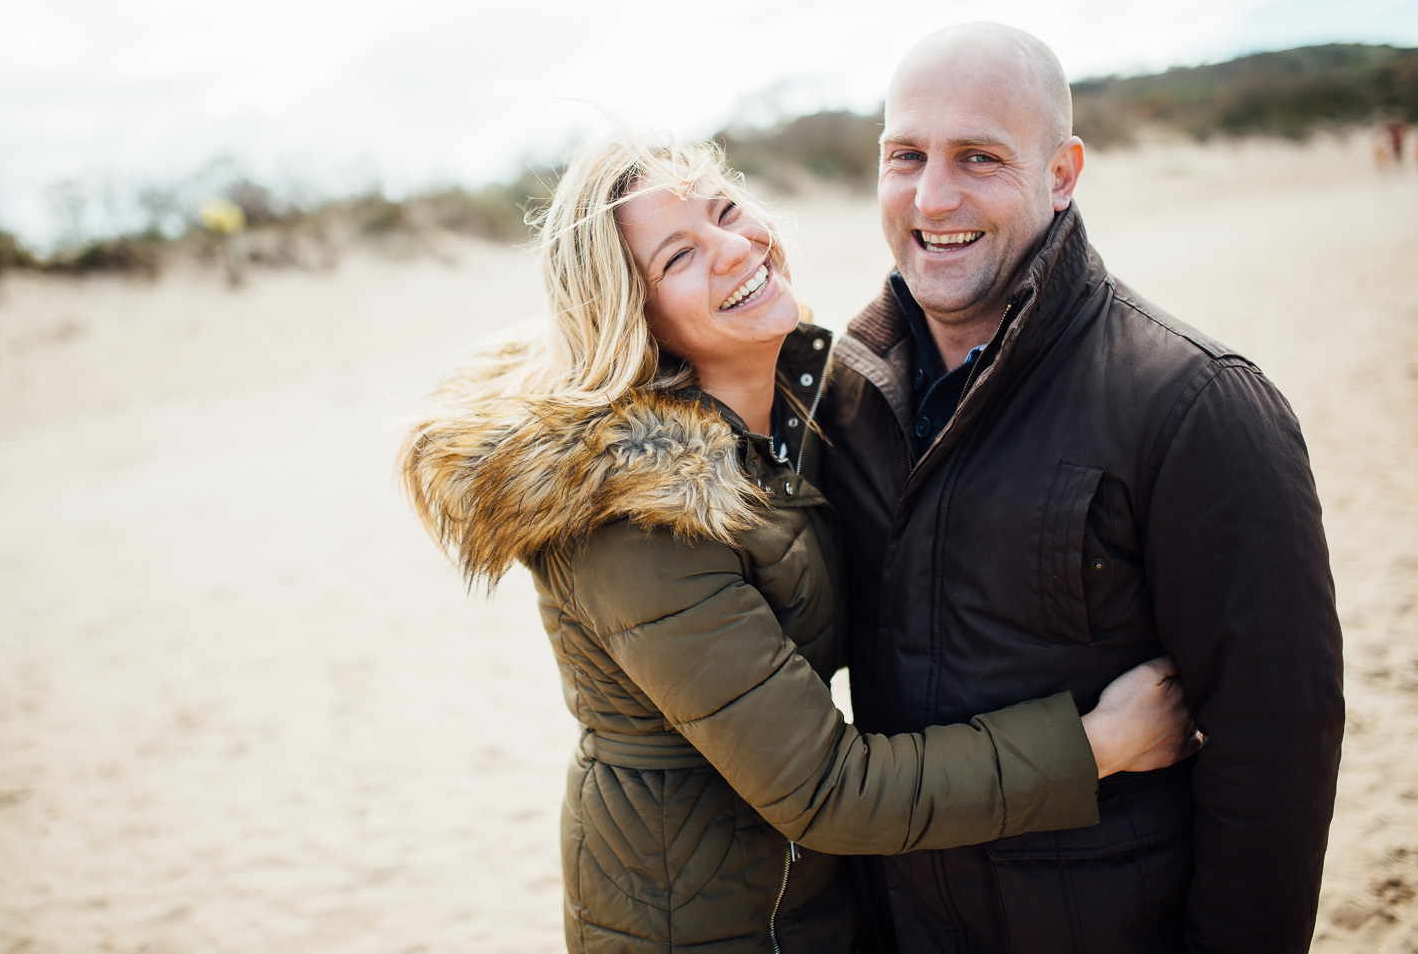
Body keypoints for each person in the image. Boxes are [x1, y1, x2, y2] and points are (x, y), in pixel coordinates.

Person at [397, 135, 1200, 952]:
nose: (736, 246)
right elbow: (828, 790)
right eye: (679, 256)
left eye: (725, 210)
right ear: (635, 320)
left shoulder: (794, 407)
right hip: (701, 926)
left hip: (797, 892)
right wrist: (1099, 744)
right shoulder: (639, 515)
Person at [821, 22, 1345, 953]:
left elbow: (1277, 750)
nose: (932, 195)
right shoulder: (844, 400)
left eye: (978, 157)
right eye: (905, 155)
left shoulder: (1196, 404)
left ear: (1062, 173)